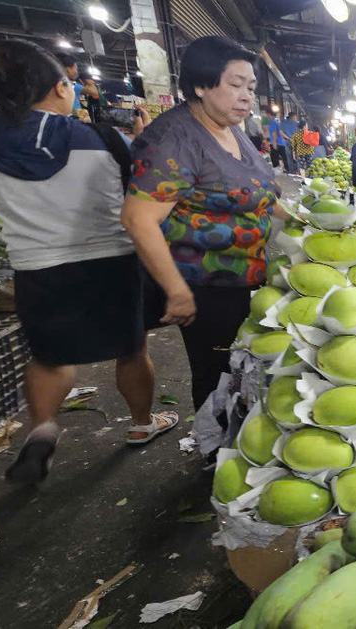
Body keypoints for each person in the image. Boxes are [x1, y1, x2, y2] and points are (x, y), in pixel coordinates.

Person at [0, 41, 177, 483]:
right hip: (109, 262)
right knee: (132, 348)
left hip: (36, 266)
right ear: (62, 87)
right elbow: (138, 195)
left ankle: (42, 430)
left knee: (49, 358)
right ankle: (142, 422)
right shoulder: (100, 138)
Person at [121, 36, 286, 415]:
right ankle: (214, 455)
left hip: (240, 279)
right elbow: (137, 219)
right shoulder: (173, 139)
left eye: (251, 87)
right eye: (235, 84)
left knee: (239, 368)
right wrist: (176, 291)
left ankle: (233, 444)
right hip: (203, 283)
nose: (246, 96)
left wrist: (309, 221)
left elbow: (252, 190)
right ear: (200, 85)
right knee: (216, 374)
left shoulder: (231, 129)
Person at [55, 52, 100, 117]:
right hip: (70, 120)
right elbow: (94, 91)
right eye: (76, 68)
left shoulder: (54, 84)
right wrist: (87, 79)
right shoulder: (69, 86)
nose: (77, 71)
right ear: (68, 70)